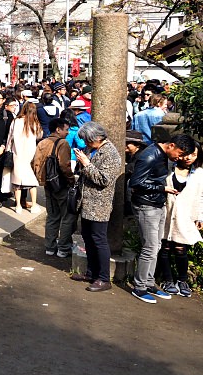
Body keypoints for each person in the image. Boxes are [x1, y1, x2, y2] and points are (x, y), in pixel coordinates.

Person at [128, 133, 196, 303]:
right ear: (171, 145)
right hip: (146, 205)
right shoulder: (150, 156)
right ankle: (140, 286)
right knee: (150, 247)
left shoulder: (162, 154)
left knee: (157, 245)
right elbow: (135, 182)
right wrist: (162, 188)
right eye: (179, 154)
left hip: (157, 203)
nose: (179, 158)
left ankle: (149, 282)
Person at [69, 122, 124, 293]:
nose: (85, 143)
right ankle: (91, 272)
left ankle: (104, 278)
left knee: (99, 240)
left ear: (97, 138)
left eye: (87, 140)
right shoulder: (91, 149)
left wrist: (86, 164)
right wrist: (82, 162)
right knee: (87, 237)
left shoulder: (111, 154)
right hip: (85, 201)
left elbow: (104, 180)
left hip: (99, 204)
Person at [157, 142, 203, 298]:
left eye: (194, 154)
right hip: (166, 212)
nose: (189, 157)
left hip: (185, 215)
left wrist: (199, 217)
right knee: (165, 247)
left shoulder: (199, 173)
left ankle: (182, 281)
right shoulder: (168, 167)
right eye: (188, 153)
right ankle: (168, 280)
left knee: (180, 248)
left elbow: (201, 196)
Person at [32, 119, 77, 258]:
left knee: (52, 216)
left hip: (48, 185)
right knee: (68, 216)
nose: (68, 132)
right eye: (66, 129)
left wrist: (42, 179)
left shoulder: (42, 143)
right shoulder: (62, 143)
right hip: (61, 185)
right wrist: (71, 179)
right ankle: (63, 248)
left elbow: (34, 163)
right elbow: (64, 165)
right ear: (58, 129)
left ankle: (50, 247)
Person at [9, 101, 41, 213]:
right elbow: (39, 136)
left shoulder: (16, 121)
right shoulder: (34, 122)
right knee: (31, 181)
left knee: (17, 181)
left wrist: (8, 149)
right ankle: (34, 204)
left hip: (17, 153)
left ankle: (18, 205)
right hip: (30, 154)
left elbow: (10, 137)